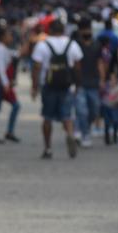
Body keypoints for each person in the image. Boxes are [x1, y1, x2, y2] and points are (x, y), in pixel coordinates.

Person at [31, 19, 83, 160]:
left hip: (48, 85)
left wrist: (34, 86)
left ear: (50, 30)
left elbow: (37, 67)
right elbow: (78, 66)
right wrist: (77, 84)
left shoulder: (42, 45)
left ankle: (48, 148)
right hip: (66, 85)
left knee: (47, 117)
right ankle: (70, 134)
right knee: (67, 115)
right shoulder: (72, 44)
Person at [72, 20, 103, 148]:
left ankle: (84, 127)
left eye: (88, 29)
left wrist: (102, 79)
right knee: (81, 110)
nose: (87, 32)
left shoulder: (97, 44)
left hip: (94, 82)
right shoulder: (75, 45)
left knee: (94, 109)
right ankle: (84, 133)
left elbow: (100, 62)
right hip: (79, 83)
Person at [0, 26, 21, 143]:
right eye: (8, 35)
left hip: (3, 83)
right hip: (1, 83)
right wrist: (5, 83)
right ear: (3, 37)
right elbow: (0, 69)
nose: (11, 37)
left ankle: (1, 132)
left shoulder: (3, 48)